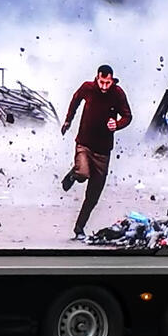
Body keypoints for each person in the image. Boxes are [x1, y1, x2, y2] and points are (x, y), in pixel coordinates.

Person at [60, 65, 133, 240]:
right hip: (84, 144)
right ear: (97, 78)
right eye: (102, 82)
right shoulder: (88, 88)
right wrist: (68, 120)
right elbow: (75, 100)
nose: (104, 86)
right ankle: (73, 174)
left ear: (112, 80)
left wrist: (117, 124)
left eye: (108, 83)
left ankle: (79, 228)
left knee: (93, 195)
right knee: (83, 173)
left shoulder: (118, 94)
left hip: (103, 151)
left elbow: (127, 116)